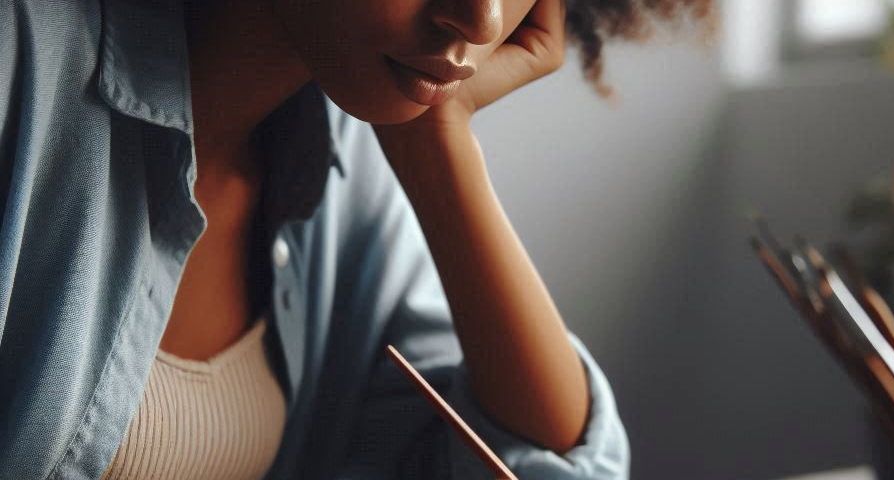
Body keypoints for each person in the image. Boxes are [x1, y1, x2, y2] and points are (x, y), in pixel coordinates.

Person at [0, 0, 710, 478]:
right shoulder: (18, 61)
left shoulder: (342, 170)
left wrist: (440, 144)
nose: (481, 15)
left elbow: (546, 465)